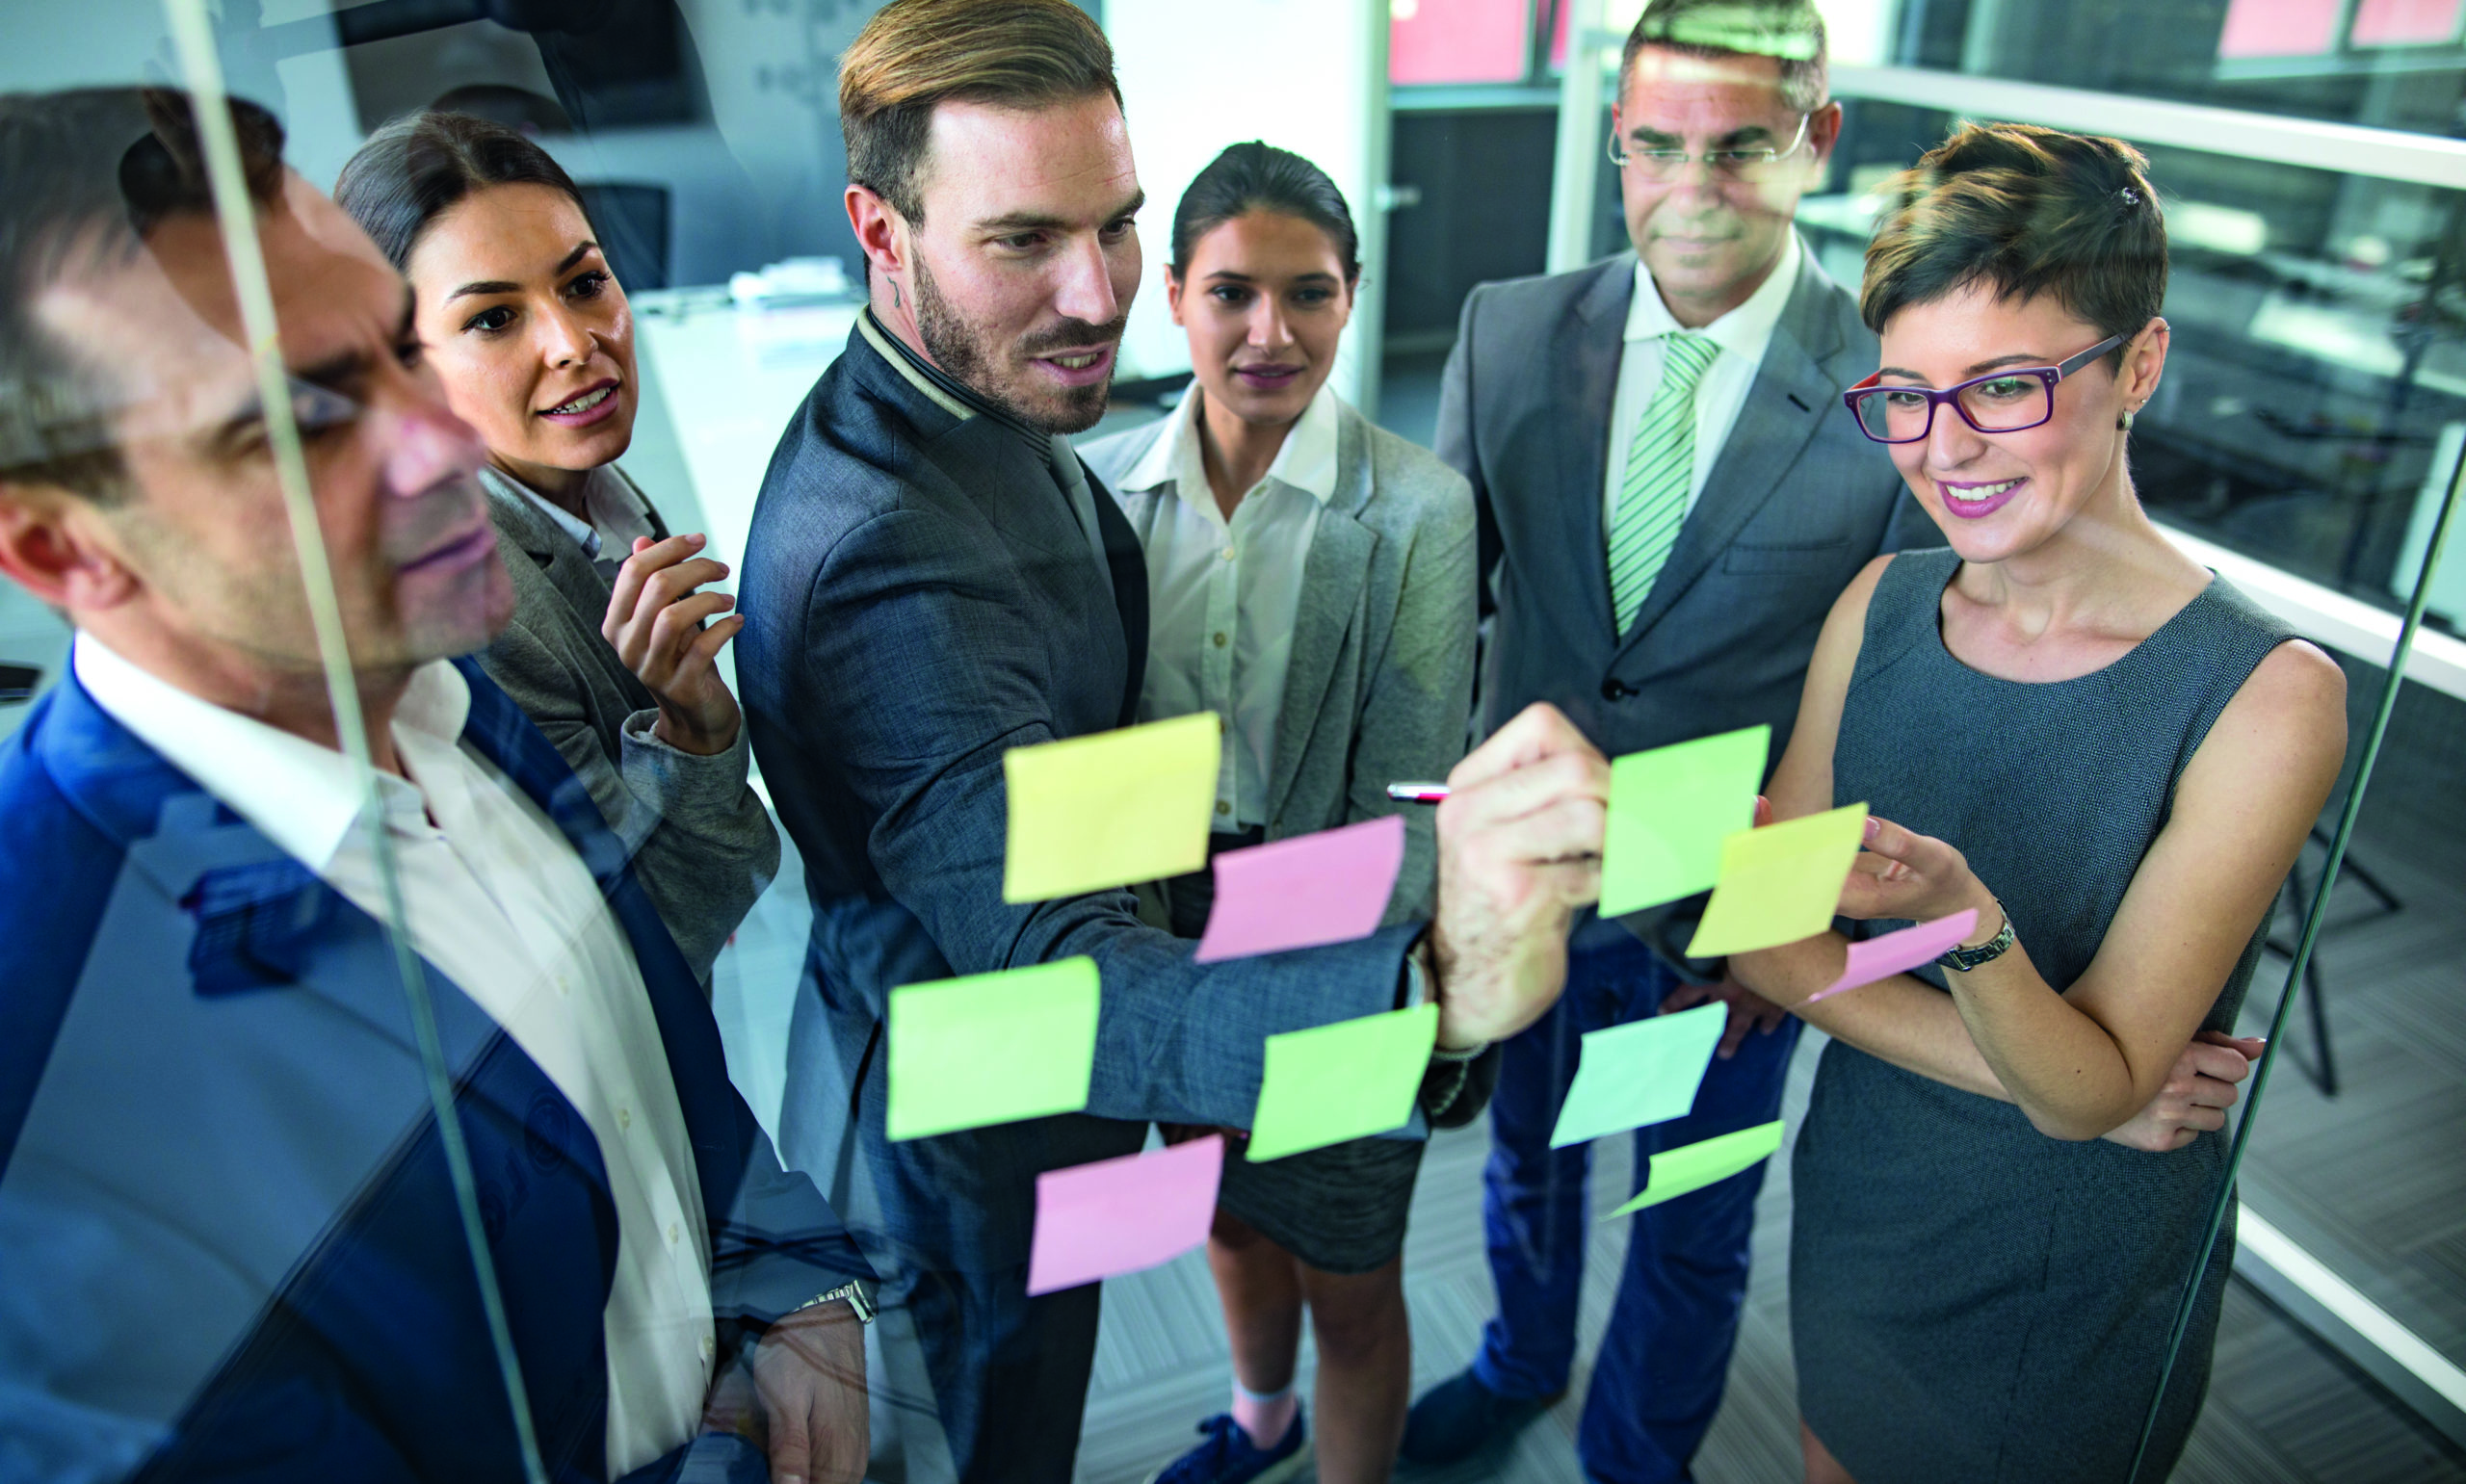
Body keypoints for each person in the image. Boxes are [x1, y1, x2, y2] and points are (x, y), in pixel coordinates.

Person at [733, 3, 1610, 1480]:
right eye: (1023, 240)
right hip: (979, 1109)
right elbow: (1059, 962)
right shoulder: (890, 547)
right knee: (1000, 1433)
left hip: (1083, 1051)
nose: (1098, 296)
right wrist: (1431, 989)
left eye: (1119, 225)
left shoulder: (986, 402)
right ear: (881, 231)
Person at [0, 88, 876, 1483]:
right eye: (294, 424)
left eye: (395, 353)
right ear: (63, 555)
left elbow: (635, 1009)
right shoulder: (49, 1060)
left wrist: (788, 1272)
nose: (448, 444)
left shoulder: (422, 673)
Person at [1725, 121, 2346, 1484]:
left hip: (2062, 1268)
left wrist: (1967, 926)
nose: (1943, 448)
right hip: (1869, 1186)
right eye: (1904, 394)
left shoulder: (2267, 694)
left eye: (2002, 387)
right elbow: (1763, 943)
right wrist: (2082, 1082)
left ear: (2140, 366)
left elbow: (2084, 1102)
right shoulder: (1880, 606)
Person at [1401, 5, 1911, 1476]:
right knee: (1526, 1167)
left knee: (1691, 1224)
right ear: (1616, 144)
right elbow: (1445, 637)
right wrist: (1453, 880)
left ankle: (1638, 1463)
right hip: (1532, 903)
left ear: (1815, 140)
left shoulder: (1893, 398)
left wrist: (1776, 930)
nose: (1692, 185)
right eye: (1657, 145)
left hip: (1724, 944)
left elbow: (1885, 707)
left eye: (1742, 145)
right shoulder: (1508, 330)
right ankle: (1517, 1360)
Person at [1078, 143, 1476, 1484]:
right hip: (1152, 921)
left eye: (1308, 293)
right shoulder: (1101, 494)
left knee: (1350, 1277)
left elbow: (1407, 800)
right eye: (1231, 292)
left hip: (1343, 934)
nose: (1269, 332)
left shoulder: (1419, 508)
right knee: (1229, 1221)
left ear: (1352, 296)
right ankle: (1261, 1421)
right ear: (1173, 295)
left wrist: (1281, 984)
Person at [334, 110, 776, 983]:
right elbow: (631, 951)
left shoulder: (587, 489)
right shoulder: (465, 604)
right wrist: (692, 732)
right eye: (494, 319)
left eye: (583, 284)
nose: (575, 345)